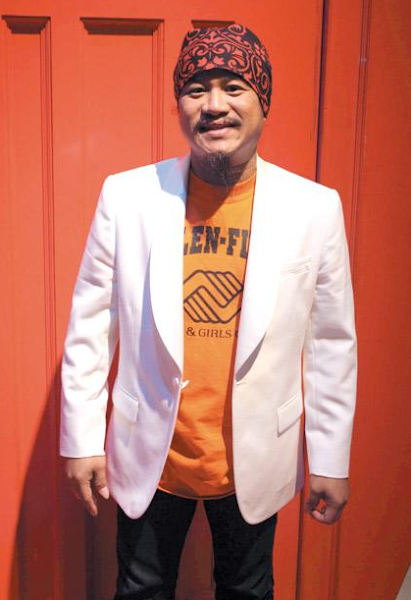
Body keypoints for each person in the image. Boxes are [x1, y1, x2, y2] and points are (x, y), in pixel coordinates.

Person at [60, 24, 357, 600]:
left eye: (234, 87)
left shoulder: (315, 209)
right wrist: (81, 439)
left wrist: (330, 457)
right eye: (196, 89)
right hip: (151, 452)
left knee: (247, 590)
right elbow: (90, 326)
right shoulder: (127, 197)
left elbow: (331, 344)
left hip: (255, 457)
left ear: (263, 102)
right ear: (179, 106)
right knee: (141, 587)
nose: (214, 104)